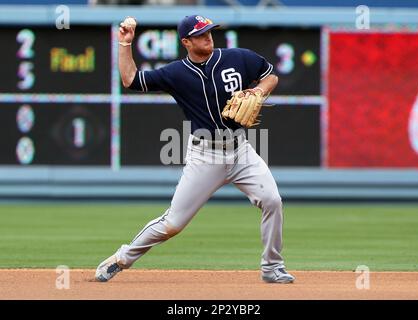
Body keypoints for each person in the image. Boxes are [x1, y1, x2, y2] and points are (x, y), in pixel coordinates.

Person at [95, 15, 295, 284]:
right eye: (200, 34)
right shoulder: (176, 73)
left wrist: (258, 91)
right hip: (205, 156)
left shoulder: (237, 58)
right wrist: (124, 44)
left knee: (272, 200)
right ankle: (121, 258)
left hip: (241, 151)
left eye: (209, 32)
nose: (208, 37)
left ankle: (272, 267)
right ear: (186, 42)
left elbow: (269, 75)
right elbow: (130, 79)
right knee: (173, 224)